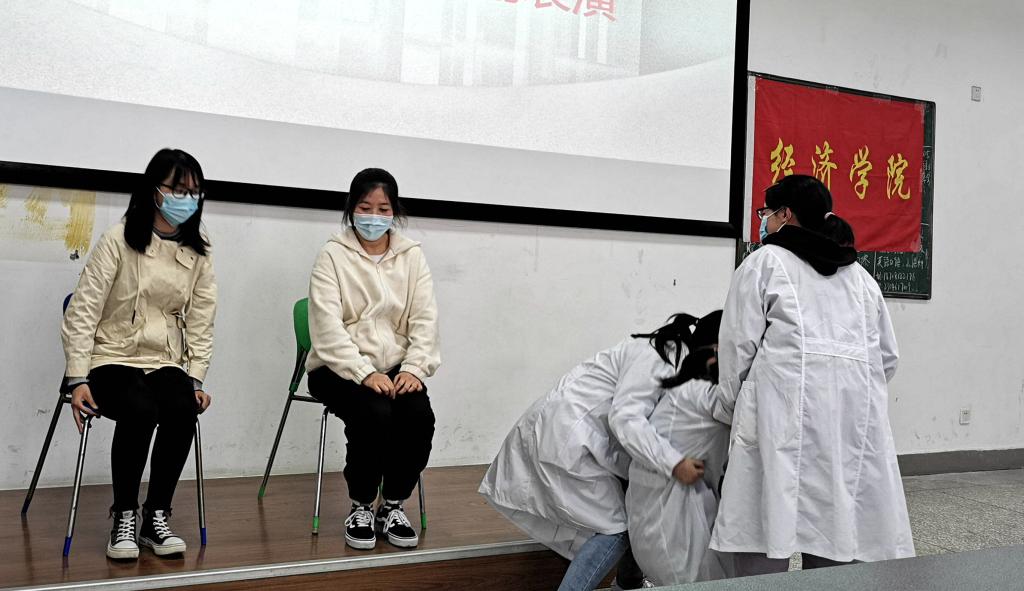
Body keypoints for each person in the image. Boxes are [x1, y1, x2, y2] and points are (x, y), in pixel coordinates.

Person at [710, 175, 913, 575]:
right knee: (835, 529)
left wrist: (731, 410)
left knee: (765, 527)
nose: (764, 222)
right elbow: (887, 359)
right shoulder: (861, 279)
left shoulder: (764, 264)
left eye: (767, 213)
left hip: (776, 421)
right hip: (845, 429)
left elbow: (736, 351)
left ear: (785, 214)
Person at [479, 314, 711, 591]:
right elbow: (626, 419)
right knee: (617, 528)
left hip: (576, 435)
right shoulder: (661, 356)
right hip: (569, 438)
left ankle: (629, 585)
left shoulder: (672, 356)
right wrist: (673, 463)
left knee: (632, 515)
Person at [61, 148, 216, 560]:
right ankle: (124, 515)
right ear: (154, 189)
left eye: (194, 192)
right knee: (140, 409)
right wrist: (77, 379)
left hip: (163, 358)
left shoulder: (199, 251)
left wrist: (195, 378)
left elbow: (202, 319)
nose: (186, 199)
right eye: (177, 189)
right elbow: (83, 311)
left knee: (182, 407)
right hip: (110, 356)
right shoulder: (117, 239)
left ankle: (156, 516)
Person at [306, 168, 440, 551]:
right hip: (337, 367)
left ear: (394, 211)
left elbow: (425, 319)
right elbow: (326, 328)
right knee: (374, 413)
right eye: (365, 207)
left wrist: (414, 368)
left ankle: (392, 505)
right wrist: (364, 373)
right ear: (352, 208)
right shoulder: (332, 255)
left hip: (396, 366)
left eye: (383, 208)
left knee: (418, 417)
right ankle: (362, 505)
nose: (374, 216)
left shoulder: (412, 256)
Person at [615, 311, 734, 586]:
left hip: (666, 506)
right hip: (670, 513)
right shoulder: (700, 389)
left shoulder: (690, 379)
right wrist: (675, 463)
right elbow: (624, 419)